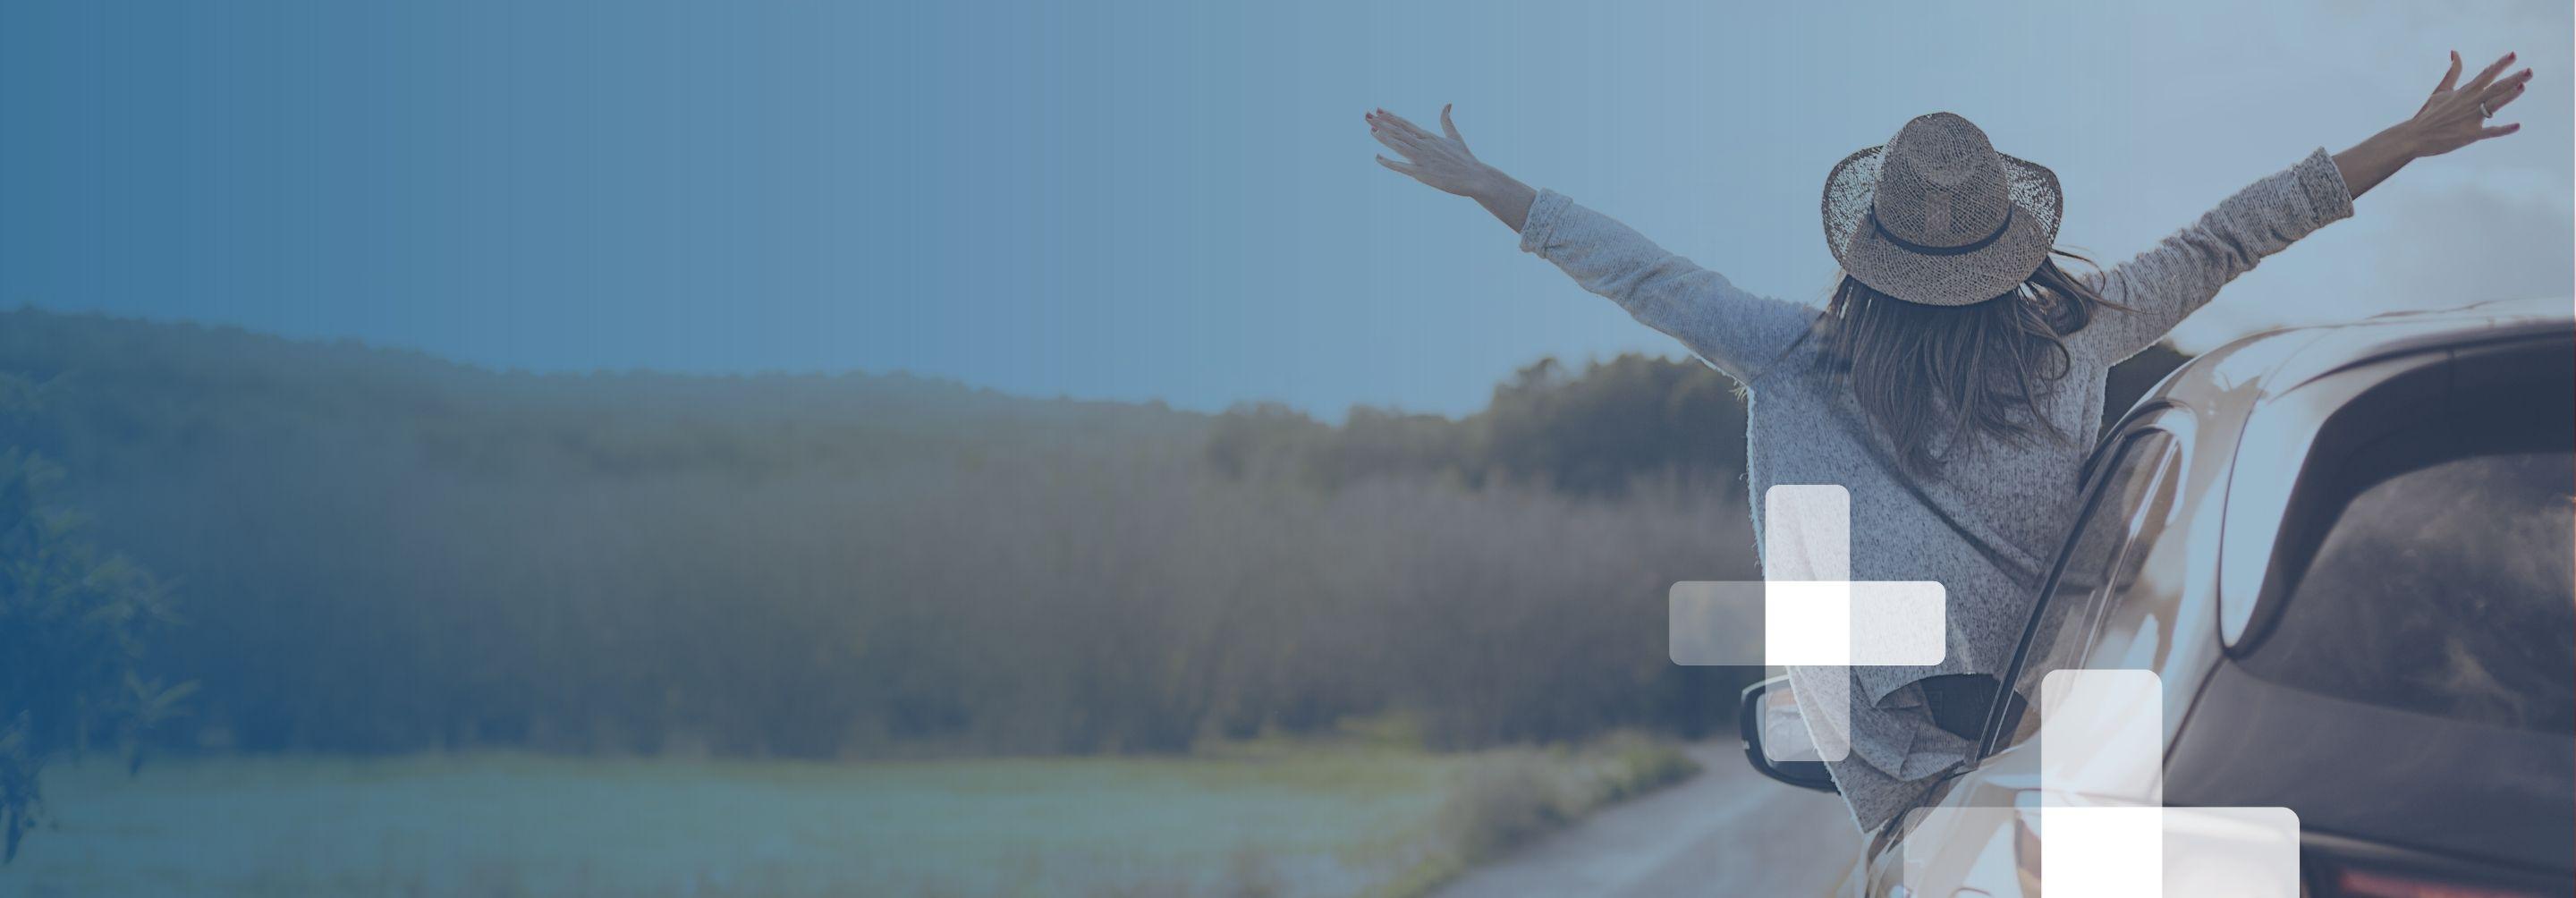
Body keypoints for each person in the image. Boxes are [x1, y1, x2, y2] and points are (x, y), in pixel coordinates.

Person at [1364, 51, 2532, 834]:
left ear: (1870, 251)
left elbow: (1642, 274)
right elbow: (2235, 234)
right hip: (2080, 754)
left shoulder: (1788, 355)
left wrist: (1491, 187)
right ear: (2008, 248)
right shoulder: (2078, 338)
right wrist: (2402, 140)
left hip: (1914, 782)